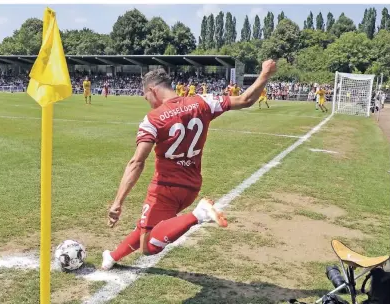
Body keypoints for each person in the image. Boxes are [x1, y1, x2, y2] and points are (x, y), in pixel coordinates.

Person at [101, 59, 277, 270]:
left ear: (152, 89)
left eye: (146, 96)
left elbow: (136, 162)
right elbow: (246, 100)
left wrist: (118, 201)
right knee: (147, 226)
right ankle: (112, 257)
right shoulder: (202, 102)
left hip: (165, 188)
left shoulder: (153, 119)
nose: (146, 100)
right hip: (191, 186)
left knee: (147, 247)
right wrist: (265, 73)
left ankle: (199, 214)